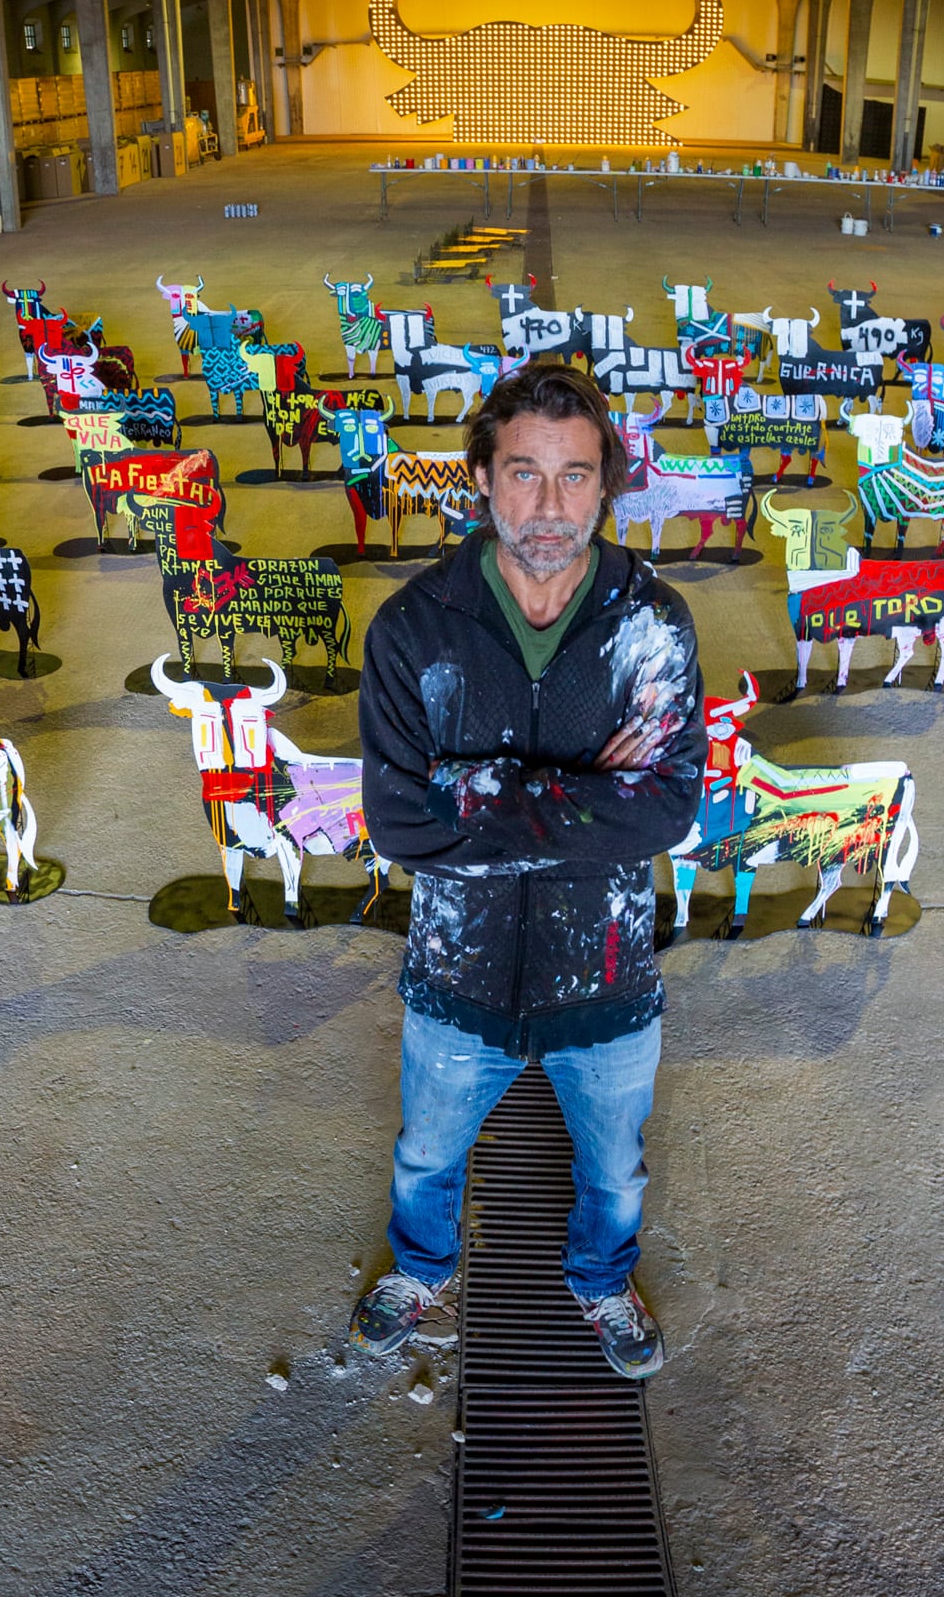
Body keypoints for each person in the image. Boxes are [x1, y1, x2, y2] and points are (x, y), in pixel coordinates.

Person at [348, 360, 704, 1379]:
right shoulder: (415, 629)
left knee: (616, 1169)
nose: (548, 506)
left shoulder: (653, 625)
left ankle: (600, 1279)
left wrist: (477, 784)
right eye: (522, 473)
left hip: (606, 973)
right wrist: (588, 797)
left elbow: (667, 810)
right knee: (427, 1154)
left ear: (609, 483)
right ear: (481, 479)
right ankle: (422, 1266)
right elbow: (398, 823)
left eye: (575, 475)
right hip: (458, 976)